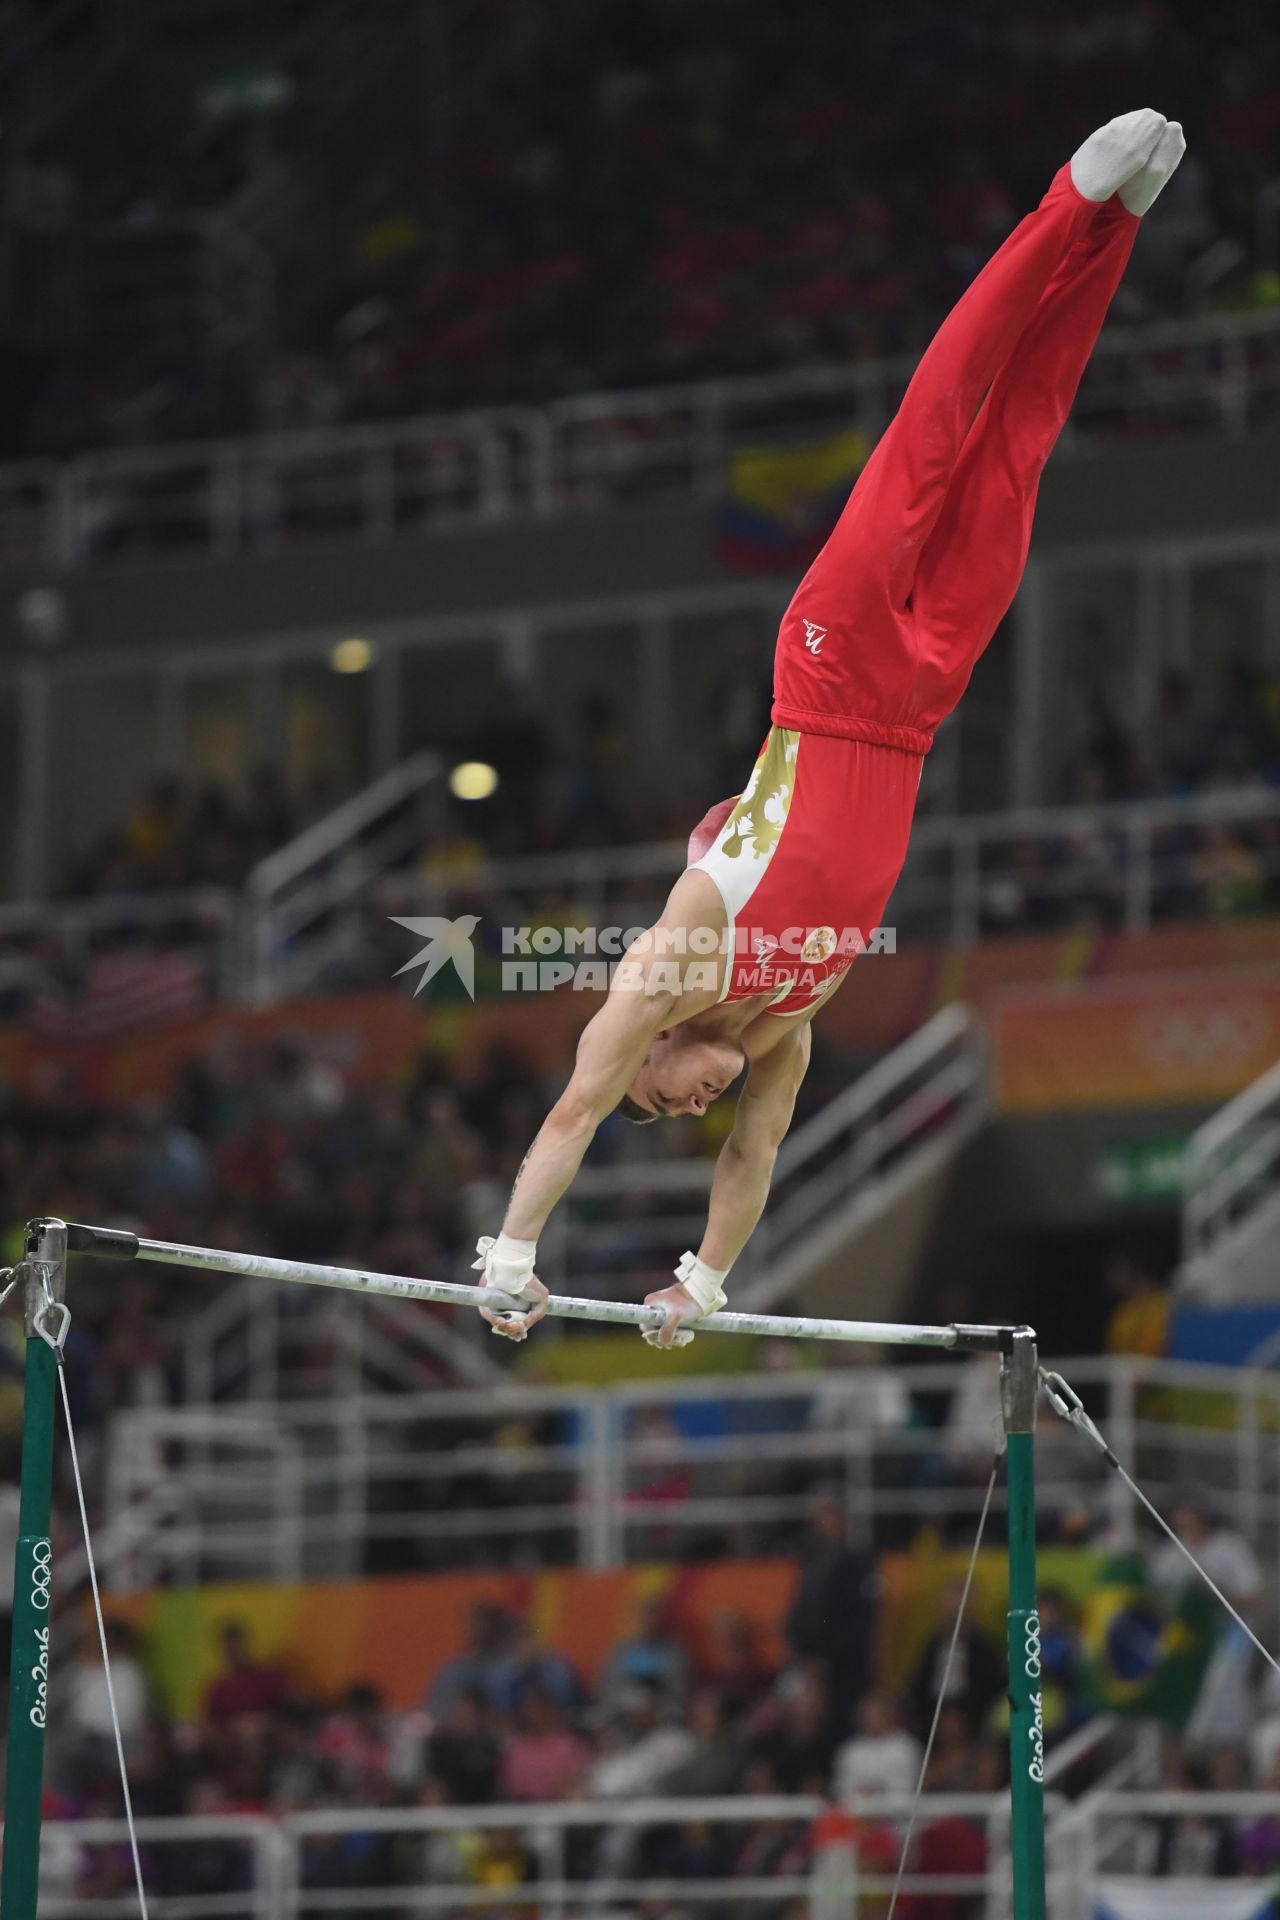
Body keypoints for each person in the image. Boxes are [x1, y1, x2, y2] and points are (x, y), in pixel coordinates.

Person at [472, 112, 1189, 1347]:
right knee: (1014, 457)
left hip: (828, 672)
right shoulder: (783, 1026)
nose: (684, 1106)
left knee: (934, 429)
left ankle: (1067, 199)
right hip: (914, 711)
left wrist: (511, 1254)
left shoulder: (668, 966)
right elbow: (749, 1165)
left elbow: (568, 1113)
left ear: (644, 1058)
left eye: (662, 1104)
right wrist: (700, 1284)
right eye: (679, 1114)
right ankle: (1119, 229)